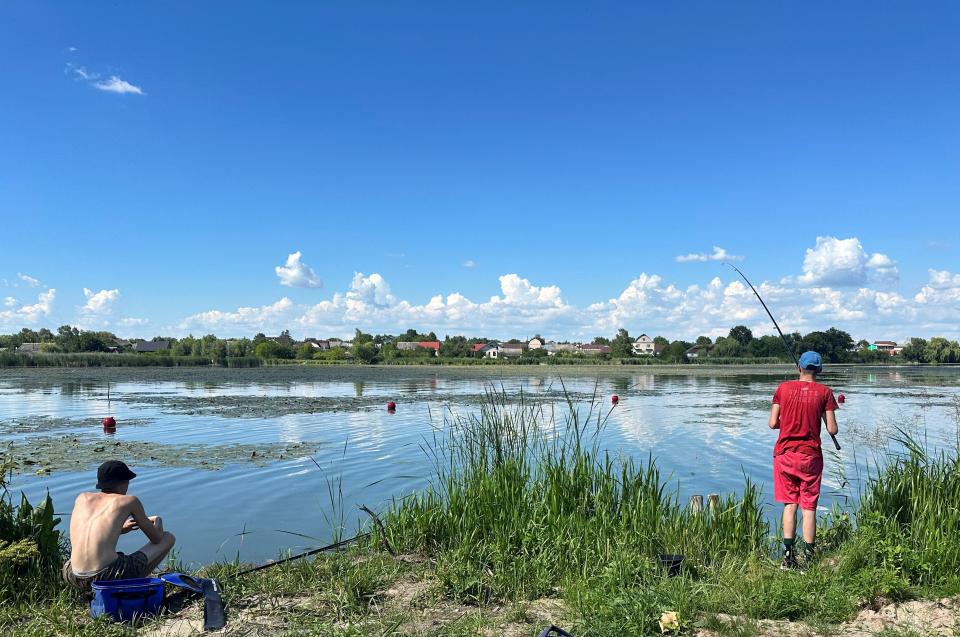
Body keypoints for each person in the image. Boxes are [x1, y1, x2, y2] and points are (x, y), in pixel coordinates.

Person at [768, 351, 839, 570]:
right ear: (819, 370)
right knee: (809, 507)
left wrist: (789, 423)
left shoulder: (783, 388)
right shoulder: (825, 392)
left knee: (790, 505)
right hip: (810, 457)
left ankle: (788, 559)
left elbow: (772, 423)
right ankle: (809, 560)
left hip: (785, 455)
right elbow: (832, 429)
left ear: (799, 367)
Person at [62, 460, 176, 590]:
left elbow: (89, 532)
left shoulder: (82, 498)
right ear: (123, 482)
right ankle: (134, 584)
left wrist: (120, 529)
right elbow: (157, 538)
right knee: (168, 538)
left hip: (72, 574)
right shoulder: (129, 501)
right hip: (107, 576)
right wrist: (158, 520)